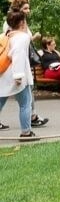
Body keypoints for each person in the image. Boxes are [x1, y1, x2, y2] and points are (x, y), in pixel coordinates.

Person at [2, 0, 48, 128]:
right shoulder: (12, 24)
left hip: (20, 64)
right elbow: (14, 46)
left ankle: (32, 118)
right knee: (23, 99)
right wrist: (18, 74)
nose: (29, 11)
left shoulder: (22, 23)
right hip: (14, 66)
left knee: (19, 95)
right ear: (18, 9)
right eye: (26, 8)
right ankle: (27, 130)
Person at [0, 10, 37, 140]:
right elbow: (18, 56)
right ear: (22, 22)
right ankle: (26, 132)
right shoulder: (22, 37)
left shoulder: (4, 35)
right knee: (25, 103)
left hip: (2, 74)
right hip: (15, 75)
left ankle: (26, 131)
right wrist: (18, 76)